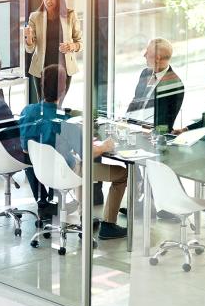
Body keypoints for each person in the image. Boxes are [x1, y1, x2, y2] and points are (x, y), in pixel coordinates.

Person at [20, 64, 128, 240]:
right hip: (65, 174)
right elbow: (88, 153)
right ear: (63, 91)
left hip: (41, 173)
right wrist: (105, 146)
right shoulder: (66, 122)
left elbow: (25, 148)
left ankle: (85, 218)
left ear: (42, 86)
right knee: (120, 173)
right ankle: (108, 225)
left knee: (79, 165)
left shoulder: (28, 111)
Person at [23, 0, 82, 102]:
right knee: (43, 104)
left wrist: (71, 46)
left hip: (64, 69)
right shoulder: (35, 17)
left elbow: (80, 43)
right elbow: (30, 49)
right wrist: (28, 39)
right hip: (42, 69)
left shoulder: (70, 15)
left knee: (58, 105)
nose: (48, 1)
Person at [126, 38, 184, 132]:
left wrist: (149, 129)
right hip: (133, 129)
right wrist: (125, 121)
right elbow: (135, 101)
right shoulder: (145, 73)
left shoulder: (175, 85)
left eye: (147, 52)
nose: (144, 55)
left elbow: (166, 125)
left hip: (151, 137)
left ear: (157, 58)